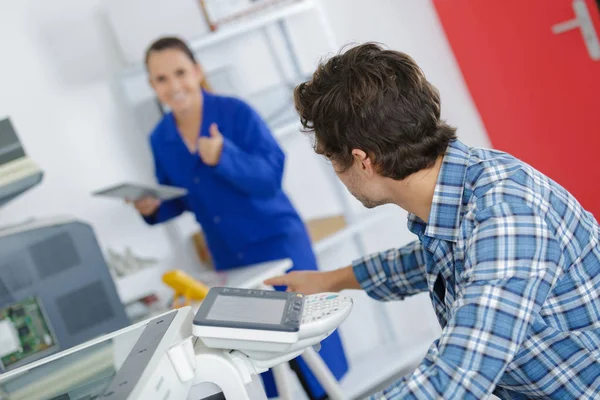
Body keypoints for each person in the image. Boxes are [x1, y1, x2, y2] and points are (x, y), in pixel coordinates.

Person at [265, 43, 600, 399]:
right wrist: (330, 280)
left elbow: (456, 378)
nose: (336, 172)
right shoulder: (462, 186)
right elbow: (427, 262)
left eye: (333, 159)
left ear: (363, 160)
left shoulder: (508, 214)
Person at [133, 36, 348, 399]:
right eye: (162, 79)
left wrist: (223, 155)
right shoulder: (161, 138)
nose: (174, 86)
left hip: (277, 243)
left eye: (180, 73)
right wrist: (154, 208)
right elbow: (182, 198)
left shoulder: (234, 112)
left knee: (306, 352)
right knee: (257, 356)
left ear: (197, 71)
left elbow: (270, 176)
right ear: (153, 86)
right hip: (231, 260)